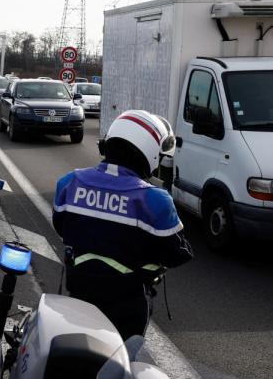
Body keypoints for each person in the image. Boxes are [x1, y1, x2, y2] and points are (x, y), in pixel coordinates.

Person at [52, 110, 193, 340]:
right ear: (150, 153)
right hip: (127, 306)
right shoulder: (155, 199)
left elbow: (61, 227)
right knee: (123, 359)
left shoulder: (69, 182)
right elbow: (178, 254)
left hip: (78, 291)